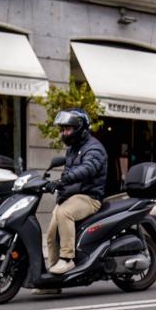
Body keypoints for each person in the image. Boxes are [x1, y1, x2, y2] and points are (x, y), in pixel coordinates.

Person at [44, 109, 106, 276]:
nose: (64, 133)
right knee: (51, 235)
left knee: (64, 212)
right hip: (72, 196)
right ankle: (52, 278)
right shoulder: (72, 149)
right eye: (63, 129)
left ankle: (67, 259)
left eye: (68, 129)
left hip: (90, 197)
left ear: (81, 128)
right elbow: (69, 171)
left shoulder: (94, 148)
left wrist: (64, 180)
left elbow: (88, 168)